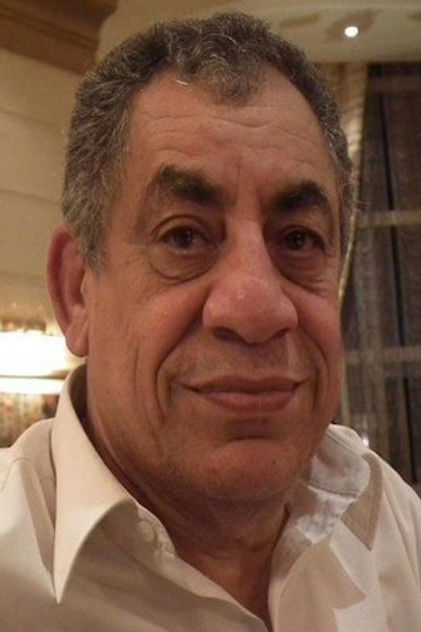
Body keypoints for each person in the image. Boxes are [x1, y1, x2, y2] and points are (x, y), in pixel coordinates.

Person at [1, 12, 420, 632]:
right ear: (77, 292)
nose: (257, 309)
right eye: (184, 237)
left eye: (298, 239)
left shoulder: (392, 524)